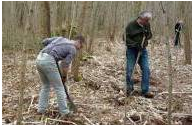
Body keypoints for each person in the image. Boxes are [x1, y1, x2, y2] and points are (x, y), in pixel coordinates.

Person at [36, 35, 85, 115]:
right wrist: (64, 77)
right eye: (81, 46)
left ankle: (41, 110)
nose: (80, 48)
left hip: (39, 58)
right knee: (59, 88)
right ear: (79, 42)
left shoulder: (61, 38)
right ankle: (65, 112)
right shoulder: (73, 49)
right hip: (49, 61)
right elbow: (65, 65)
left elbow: (44, 41)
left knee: (45, 85)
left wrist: (53, 48)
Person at [124, 11, 153, 98]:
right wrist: (135, 44)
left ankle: (145, 90)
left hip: (143, 50)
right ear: (140, 18)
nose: (147, 22)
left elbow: (150, 35)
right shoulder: (130, 25)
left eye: (148, 20)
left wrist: (147, 36)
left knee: (146, 69)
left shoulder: (147, 25)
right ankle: (130, 89)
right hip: (131, 50)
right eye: (146, 20)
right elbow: (125, 38)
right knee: (130, 69)